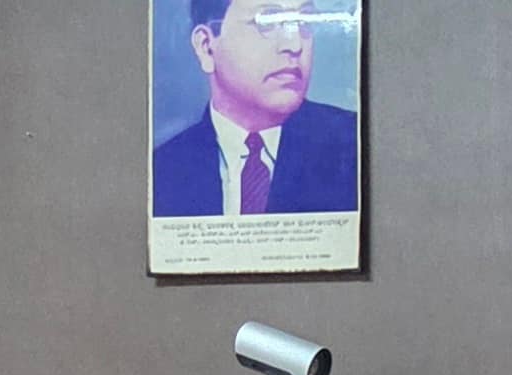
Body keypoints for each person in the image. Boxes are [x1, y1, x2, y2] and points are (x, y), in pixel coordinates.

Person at [150, 0, 361, 218]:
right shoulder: (161, 172)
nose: (294, 44)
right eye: (267, 21)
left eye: (304, 20)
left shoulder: (354, 147)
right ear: (207, 47)